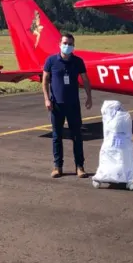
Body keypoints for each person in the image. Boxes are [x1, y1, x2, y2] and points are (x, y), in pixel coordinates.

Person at [42, 33, 93, 178]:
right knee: (57, 136)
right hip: (56, 105)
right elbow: (45, 80)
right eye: (65, 43)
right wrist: (47, 99)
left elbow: (85, 79)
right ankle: (58, 166)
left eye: (70, 44)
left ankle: (80, 167)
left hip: (73, 105)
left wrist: (89, 97)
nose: (67, 46)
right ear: (59, 44)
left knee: (77, 136)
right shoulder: (51, 61)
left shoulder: (78, 62)